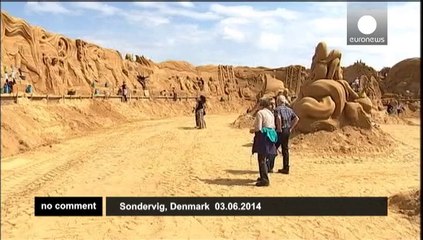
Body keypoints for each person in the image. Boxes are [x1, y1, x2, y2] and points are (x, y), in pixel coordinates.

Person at [250, 98, 278, 186]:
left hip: (263, 137)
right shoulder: (270, 113)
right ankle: (263, 176)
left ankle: (265, 180)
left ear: (261, 104)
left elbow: (259, 128)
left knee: (261, 159)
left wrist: (252, 130)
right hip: (271, 136)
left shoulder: (260, 113)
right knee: (265, 157)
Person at [274, 95, 299, 174]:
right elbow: (296, 118)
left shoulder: (277, 109)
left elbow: (278, 118)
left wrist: (279, 128)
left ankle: (269, 166)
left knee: (273, 147)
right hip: (287, 130)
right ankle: (286, 167)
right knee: (285, 149)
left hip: (280, 130)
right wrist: (291, 128)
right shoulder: (289, 110)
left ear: (278, 102)